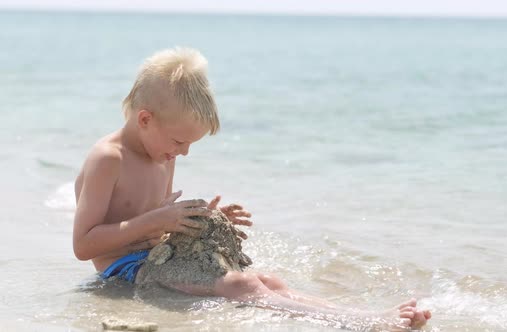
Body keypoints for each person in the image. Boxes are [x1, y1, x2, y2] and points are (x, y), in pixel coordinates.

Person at [72, 47, 431, 330]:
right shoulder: (108, 159)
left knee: (265, 280)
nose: (184, 152)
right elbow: (84, 245)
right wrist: (158, 220)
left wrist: (201, 219)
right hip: (124, 272)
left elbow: (157, 221)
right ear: (146, 119)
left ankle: (361, 315)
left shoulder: (162, 153)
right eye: (180, 141)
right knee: (240, 285)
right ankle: (364, 325)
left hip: (156, 257)